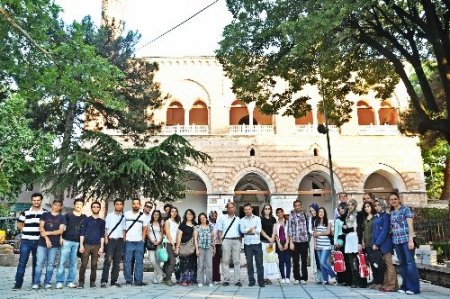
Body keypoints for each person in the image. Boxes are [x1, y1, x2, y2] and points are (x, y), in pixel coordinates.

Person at [13, 193, 47, 290]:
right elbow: (19, 224)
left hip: (39, 242)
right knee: (22, 262)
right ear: (32, 201)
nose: (36, 202)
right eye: (34, 200)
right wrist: (25, 230)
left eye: (38, 200)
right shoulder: (25, 212)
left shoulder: (45, 213)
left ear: (41, 201)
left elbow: (47, 226)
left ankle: (35, 282)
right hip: (26, 241)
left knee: (37, 264)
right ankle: (18, 284)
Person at [389, 192, 420, 295]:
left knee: (410, 263)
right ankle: (405, 285)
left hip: (406, 240)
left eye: (395, 199)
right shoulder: (392, 212)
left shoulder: (405, 210)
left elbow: (410, 226)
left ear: (399, 199)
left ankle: (414, 288)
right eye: (391, 199)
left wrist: (411, 240)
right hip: (397, 241)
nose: (393, 201)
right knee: (402, 264)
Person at [32, 199, 66, 289]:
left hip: (54, 244)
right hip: (42, 243)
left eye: (59, 205)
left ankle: (47, 282)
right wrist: (47, 239)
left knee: (50, 264)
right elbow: (41, 228)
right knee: (39, 263)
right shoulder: (45, 215)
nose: (57, 206)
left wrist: (48, 233)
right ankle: (36, 282)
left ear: (61, 207)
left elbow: (61, 230)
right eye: (55, 204)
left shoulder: (62, 217)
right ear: (52, 205)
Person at [56, 198, 87, 289]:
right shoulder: (68, 215)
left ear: (82, 206)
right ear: (74, 205)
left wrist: (82, 244)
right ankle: (59, 281)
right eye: (77, 204)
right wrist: (61, 237)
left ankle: (70, 281)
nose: (78, 206)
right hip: (66, 241)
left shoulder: (84, 217)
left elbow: (84, 232)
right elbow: (62, 227)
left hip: (77, 243)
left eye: (80, 204)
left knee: (73, 263)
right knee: (62, 262)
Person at [372, 198, 398, 292]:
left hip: (386, 243)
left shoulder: (386, 216)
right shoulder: (376, 217)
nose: (377, 207)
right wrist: (374, 243)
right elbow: (374, 232)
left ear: (383, 205)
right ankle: (386, 284)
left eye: (379, 205)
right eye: (375, 205)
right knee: (384, 265)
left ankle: (392, 286)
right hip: (379, 244)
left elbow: (384, 231)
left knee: (389, 264)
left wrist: (377, 243)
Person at [78, 201, 105, 288]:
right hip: (86, 245)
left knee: (94, 265)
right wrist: (81, 245)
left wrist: (102, 247)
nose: (96, 208)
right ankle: (81, 283)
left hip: (97, 246)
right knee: (83, 264)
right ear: (91, 208)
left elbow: (102, 235)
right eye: (94, 206)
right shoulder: (86, 220)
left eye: (97, 207)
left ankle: (92, 282)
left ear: (100, 208)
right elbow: (82, 233)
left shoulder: (102, 222)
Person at [100, 198, 126, 288]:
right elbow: (106, 229)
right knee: (107, 261)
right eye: (117, 204)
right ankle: (104, 281)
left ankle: (114, 281)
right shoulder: (110, 216)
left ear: (122, 206)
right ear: (114, 205)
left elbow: (124, 230)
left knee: (117, 262)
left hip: (120, 241)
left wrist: (123, 241)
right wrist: (106, 240)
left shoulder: (123, 217)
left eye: (120, 204)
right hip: (111, 240)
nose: (119, 206)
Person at [124, 198, 148, 286]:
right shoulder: (126, 214)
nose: (135, 205)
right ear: (132, 205)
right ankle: (128, 280)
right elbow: (123, 228)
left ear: (140, 205)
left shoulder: (143, 216)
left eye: (137, 204)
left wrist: (143, 240)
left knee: (139, 262)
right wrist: (124, 239)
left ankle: (138, 281)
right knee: (127, 262)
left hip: (139, 242)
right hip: (129, 241)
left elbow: (144, 229)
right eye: (134, 203)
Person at [240, 202, 265, 287]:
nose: (247, 211)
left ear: (252, 209)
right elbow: (242, 231)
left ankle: (261, 281)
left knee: (259, 263)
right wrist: (252, 229)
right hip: (247, 244)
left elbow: (258, 230)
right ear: (244, 210)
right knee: (249, 263)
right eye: (246, 209)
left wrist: (248, 230)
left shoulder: (257, 219)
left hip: (257, 243)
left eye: (249, 209)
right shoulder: (242, 220)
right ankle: (251, 281)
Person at [342, 198, 366, 288]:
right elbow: (344, 229)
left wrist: (360, 241)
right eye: (348, 205)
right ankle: (354, 281)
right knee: (351, 262)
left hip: (356, 238)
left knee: (358, 261)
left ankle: (361, 282)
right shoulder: (347, 215)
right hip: (349, 239)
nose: (350, 207)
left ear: (355, 205)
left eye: (352, 205)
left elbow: (359, 228)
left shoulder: (359, 214)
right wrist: (346, 229)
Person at [217, 201, 242, 286]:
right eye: (229, 207)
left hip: (236, 241)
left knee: (237, 261)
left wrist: (239, 241)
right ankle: (226, 280)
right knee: (225, 260)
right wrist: (222, 242)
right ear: (227, 209)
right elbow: (219, 231)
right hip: (226, 240)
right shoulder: (222, 218)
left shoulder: (238, 219)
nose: (231, 209)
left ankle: (237, 280)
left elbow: (241, 231)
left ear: (234, 209)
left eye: (232, 207)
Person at [287, 199, 309, 284]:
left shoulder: (306, 215)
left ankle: (304, 278)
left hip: (304, 241)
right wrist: (291, 242)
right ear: (294, 207)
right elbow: (290, 230)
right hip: (295, 241)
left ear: (301, 206)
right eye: (296, 206)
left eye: (299, 205)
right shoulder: (291, 216)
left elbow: (308, 227)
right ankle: (296, 278)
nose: (297, 207)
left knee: (304, 260)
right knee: (295, 261)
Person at [313, 207, 337, 285]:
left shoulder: (328, 222)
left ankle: (334, 275)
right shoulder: (316, 222)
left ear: (324, 213)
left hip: (326, 246)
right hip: (319, 245)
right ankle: (325, 280)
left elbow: (328, 232)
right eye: (319, 212)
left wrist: (318, 234)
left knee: (323, 262)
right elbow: (314, 234)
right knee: (321, 263)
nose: (321, 213)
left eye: (322, 212)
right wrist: (315, 244)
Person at [175, 209, 198, 286]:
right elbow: (178, 237)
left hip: (193, 247)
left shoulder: (195, 224)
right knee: (184, 264)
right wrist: (177, 248)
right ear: (185, 215)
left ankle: (191, 279)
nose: (189, 216)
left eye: (191, 214)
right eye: (188, 214)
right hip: (184, 247)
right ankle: (183, 280)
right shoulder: (182, 225)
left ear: (193, 216)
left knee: (192, 264)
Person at [362, 201, 380, 289]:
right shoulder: (365, 219)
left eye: (368, 206)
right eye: (365, 207)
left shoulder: (375, 218)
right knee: (371, 263)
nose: (366, 208)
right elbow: (363, 231)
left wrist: (376, 243)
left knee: (376, 263)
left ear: (371, 207)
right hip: (367, 243)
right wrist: (363, 242)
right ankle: (374, 280)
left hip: (374, 244)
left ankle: (378, 281)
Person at [334, 202, 352, 286]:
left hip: (349, 241)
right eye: (339, 209)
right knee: (341, 260)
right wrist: (335, 243)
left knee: (348, 261)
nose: (341, 210)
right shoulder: (338, 219)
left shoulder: (349, 218)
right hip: (340, 241)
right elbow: (336, 232)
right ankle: (341, 279)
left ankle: (349, 280)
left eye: (342, 208)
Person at [260, 204, 279, 284]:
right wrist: (268, 238)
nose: (267, 210)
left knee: (270, 261)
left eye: (269, 209)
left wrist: (272, 239)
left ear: (271, 210)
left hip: (271, 243)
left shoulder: (273, 219)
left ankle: (269, 278)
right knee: (264, 261)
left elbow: (275, 229)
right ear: (263, 210)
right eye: (266, 208)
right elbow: (261, 230)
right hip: (263, 242)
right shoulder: (261, 219)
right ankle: (264, 278)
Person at [162, 206, 180, 286]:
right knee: (172, 261)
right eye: (172, 211)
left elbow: (179, 234)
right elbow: (168, 234)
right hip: (169, 243)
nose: (174, 213)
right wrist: (173, 244)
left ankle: (166, 277)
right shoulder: (167, 221)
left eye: (175, 211)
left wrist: (177, 245)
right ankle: (168, 279)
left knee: (171, 261)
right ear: (170, 213)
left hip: (177, 243)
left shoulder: (178, 222)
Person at [196, 212, 214, 287]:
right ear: (199, 220)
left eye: (204, 217)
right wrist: (197, 249)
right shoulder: (197, 227)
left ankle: (209, 281)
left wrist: (214, 247)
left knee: (209, 265)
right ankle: (200, 281)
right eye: (201, 218)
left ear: (206, 218)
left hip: (209, 247)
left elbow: (213, 238)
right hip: (201, 247)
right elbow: (195, 239)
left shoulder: (210, 226)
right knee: (200, 265)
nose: (203, 219)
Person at [148, 209, 164, 283]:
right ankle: (161, 273)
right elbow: (148, 233)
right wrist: (152, 241)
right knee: (152, 260)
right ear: (152, 215)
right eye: (155, 214)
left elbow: (161, 234)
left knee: (157, 261)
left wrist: (159, 241)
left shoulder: (161, 224)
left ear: (159, 215)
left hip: (159, 243)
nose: (156, 216)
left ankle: (155, 278)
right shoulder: (149, 223)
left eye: (157, 214)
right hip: (151, 243)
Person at [275, 208, 291, 284]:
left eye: (281, 212)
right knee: (281, 261)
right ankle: (283, 277)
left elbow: (288, 233)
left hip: (286, 241)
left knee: (287, 261)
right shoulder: (276, 224)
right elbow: (275, 235)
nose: (280, 214)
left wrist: (287, 243)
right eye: (278, 213)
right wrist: (278, 244)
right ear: (276, 214)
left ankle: (288, 277)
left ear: (283, 213)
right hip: (279, 242)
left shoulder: (287, 222)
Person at [308, 203, 322, 283]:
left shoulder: (321, 217)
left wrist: (319, 233)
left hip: (321, 238)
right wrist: (314, 233)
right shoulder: (311, 219)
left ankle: (324, 277)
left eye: (313, 210)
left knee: (322, 258)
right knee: (316, 258)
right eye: (311, 211)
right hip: (314, 238)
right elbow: (309, 229)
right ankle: (318, 277)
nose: (312, 212)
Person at [209, 210, 221, 284]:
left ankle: (217, 277)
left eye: (215, 215)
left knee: (217, 262)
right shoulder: (208, 224)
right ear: (209, 216)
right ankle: (212, 278)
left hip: (217, 244)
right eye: (212, 215)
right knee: (211, 262)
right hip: (210, 244)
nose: (214, 217)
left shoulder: (218, 224)